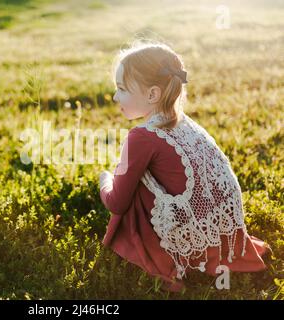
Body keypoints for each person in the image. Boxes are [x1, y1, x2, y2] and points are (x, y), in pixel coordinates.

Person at [99, 41, 271, 292]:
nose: (115, 96)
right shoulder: (183, 123)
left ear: (152, 95)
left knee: (133, 189)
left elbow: (116, 203)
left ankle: (169, 258)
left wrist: (106, 179)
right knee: (143, 178)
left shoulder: (141, 137)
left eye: (122, 89)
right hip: (222, 233)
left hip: (188, 238)